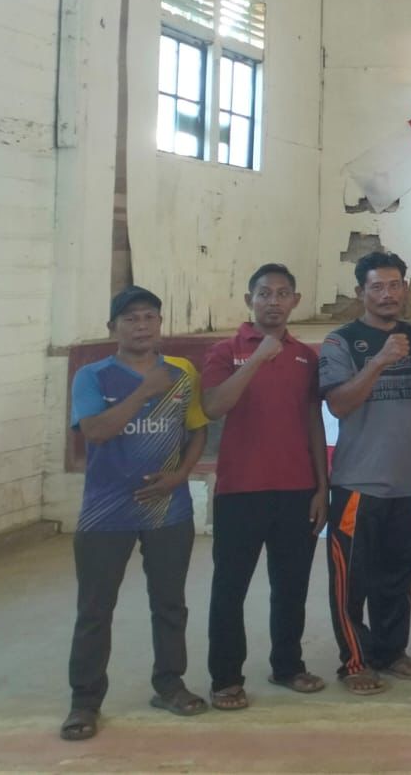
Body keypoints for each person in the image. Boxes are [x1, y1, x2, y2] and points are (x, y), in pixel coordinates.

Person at [61, 286, 210, 742]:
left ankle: (170, 685)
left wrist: (180, 475)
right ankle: (85, 702)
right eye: (130, 319)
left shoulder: (181, 375)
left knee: (169, 603)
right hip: (105, 513)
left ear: (160, 324)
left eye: (149, 317)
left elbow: (197, 431)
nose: (141, 326)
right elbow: (96, 431)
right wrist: (145, 390)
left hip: (169, 509)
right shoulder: (93, 376)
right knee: (95, 608)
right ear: (113, 328)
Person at [201, 264, 329, 710]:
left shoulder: (306, 357)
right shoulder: (225, 351)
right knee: (229, 589)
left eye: (282, 293)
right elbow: (214, 407)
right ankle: (225, 679)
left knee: (291, 586)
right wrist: (257, 358)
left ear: (295, 301)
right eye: (264, 293)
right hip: (240, 491)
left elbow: (313, 421)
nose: (273, 301)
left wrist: (322, 487)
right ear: (249, 300)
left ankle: (288, 666)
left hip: (297, 490)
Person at [318, 252, 411, 695]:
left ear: (405, 287)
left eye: (394, 285)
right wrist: (378, 362)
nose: (387, 294)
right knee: (350, 583)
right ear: (360, 292)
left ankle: (390, 652)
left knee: (398, 577)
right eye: (377, 287)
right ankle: (353, 662)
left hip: (406, 483)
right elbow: (339, 404)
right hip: (357, 485)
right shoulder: (341, 341)